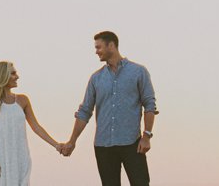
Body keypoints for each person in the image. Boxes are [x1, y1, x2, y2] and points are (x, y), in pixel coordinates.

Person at [59, 31, 158, 186]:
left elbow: (149, 104)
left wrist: (146, 136)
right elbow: (85, 111)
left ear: (111, 45)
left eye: (99, 47)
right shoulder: (96, 78)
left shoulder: (138, 72)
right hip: (103, 146)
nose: (96, 51)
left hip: (132, 143)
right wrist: (72, 141)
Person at [0, 61, 62, 185]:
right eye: (13, 73)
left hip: (21, 157)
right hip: (2, 158)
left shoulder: (23, 100)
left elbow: (36, 127)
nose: (17, 76)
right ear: (3, 76)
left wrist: (57, 145)